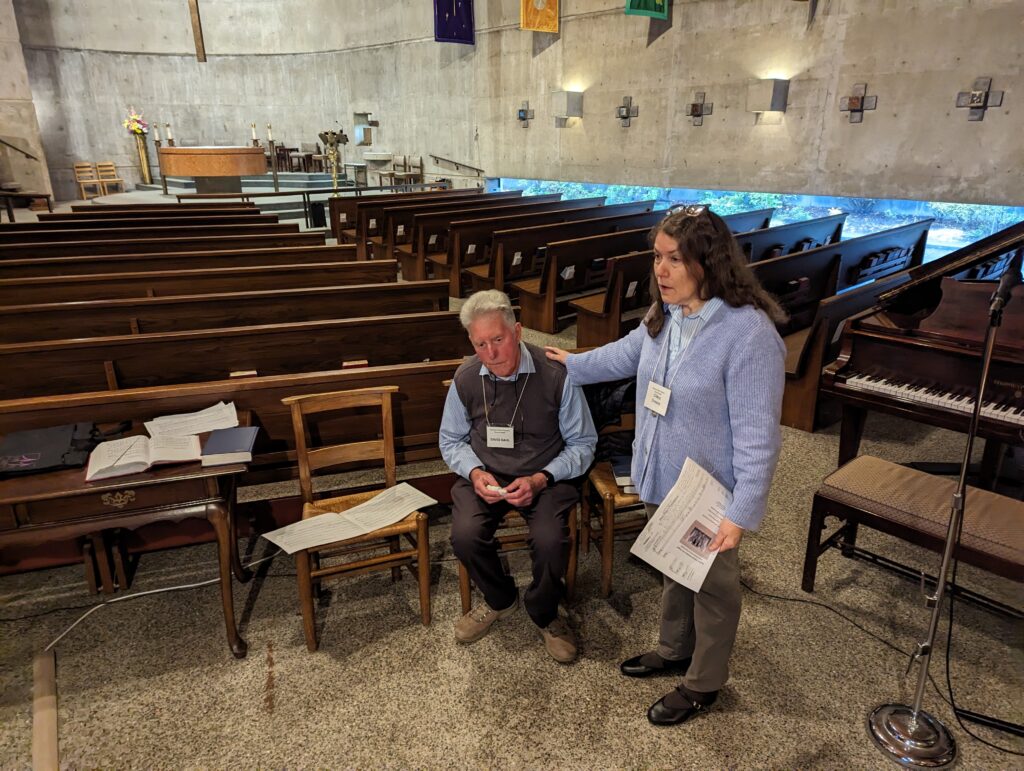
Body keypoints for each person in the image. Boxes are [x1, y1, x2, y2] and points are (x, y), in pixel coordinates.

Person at [546, 205, 786, 723]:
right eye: (657, 257)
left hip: (709, 490)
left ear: (708, 261)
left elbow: (759, 438)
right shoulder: (665, 315)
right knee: (676, 572)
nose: (660, 270)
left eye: (675, 259)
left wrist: (740, 513)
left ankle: (704, 683)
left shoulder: (747, 334)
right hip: (661, 475)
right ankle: (674, 649)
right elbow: (623, 355)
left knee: (714, 590)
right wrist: (570, 363)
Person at [440, 289, 597, 663]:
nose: (491, 353)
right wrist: (475, 471)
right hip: (485, 474)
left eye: (498, 339)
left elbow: (583, 443)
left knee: (549, 541)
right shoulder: (465, 378)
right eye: (481, 344)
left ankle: (545, 613)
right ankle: (499, 598)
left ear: (518, 331)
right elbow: (450, 441)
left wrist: (542, 478)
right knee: (463, 536)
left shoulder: (557, 374)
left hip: (545, 475)